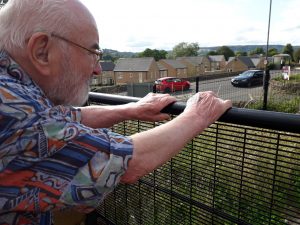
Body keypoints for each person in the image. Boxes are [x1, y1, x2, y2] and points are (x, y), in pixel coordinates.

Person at [0, 0, 232, 224]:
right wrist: (198, 114)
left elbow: (65, 118)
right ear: (42, 51)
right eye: (92, 53)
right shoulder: (15, 112)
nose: (98, 69)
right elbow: (127, 162)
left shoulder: (14, 93)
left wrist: (131, 109)